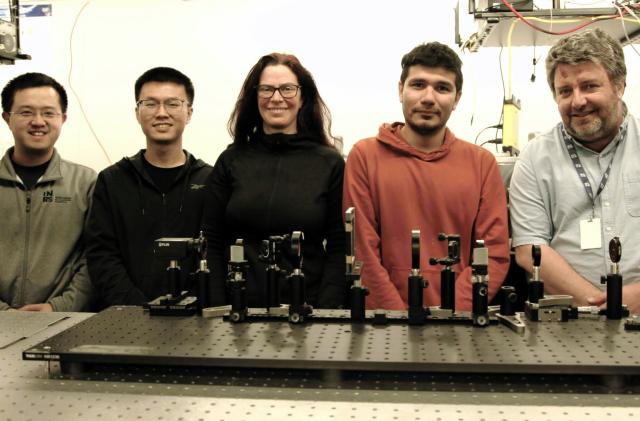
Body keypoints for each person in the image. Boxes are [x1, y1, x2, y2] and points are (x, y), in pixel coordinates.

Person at [343, 42, 510, 311]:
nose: (429, 97)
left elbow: (494, 254)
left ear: (456, 99)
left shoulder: (482, 164)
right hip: (385, 324)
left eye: (442, 88)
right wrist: (396, 319)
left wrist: (450, 315)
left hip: (457, 326)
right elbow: (363, 253)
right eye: (418, 84)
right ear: (401, 90)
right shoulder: (364, 156)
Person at [509, 28, 640, 314]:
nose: (577, 101)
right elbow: (530, 249)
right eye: (565, 91)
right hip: (566, 320)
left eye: (590, 86)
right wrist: (601, 306)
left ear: (619, 86)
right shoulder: (535, 159)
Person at [203, 53, 346, 309]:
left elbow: (339, 247)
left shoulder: (330, 163)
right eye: (267, 89)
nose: (276, 98)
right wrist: (216, 306)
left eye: (287, 89)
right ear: (255, 97)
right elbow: (211, 241)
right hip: (238, 313)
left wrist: (327, 312)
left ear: (303, 97)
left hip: (307, 312)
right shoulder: (230, 160)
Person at [86, 67, 212, 308]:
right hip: (127, 319)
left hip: (196, 319)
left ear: (189, 113)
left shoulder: (210, 180)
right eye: (151, 104)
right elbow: (101, 255)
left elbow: (215, 252)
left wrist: (191, 304)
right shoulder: (112, 181)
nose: (161, 113)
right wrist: (138, 308)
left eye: (173, 104)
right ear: (137, 112)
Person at [0, 72, 96, 311]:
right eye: (26, 112)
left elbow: (95, 257)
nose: (38, 121)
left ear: (62, 118)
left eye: (48, 113)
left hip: (63, 321)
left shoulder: (86, 182)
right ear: (7, 118)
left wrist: (59, 307)